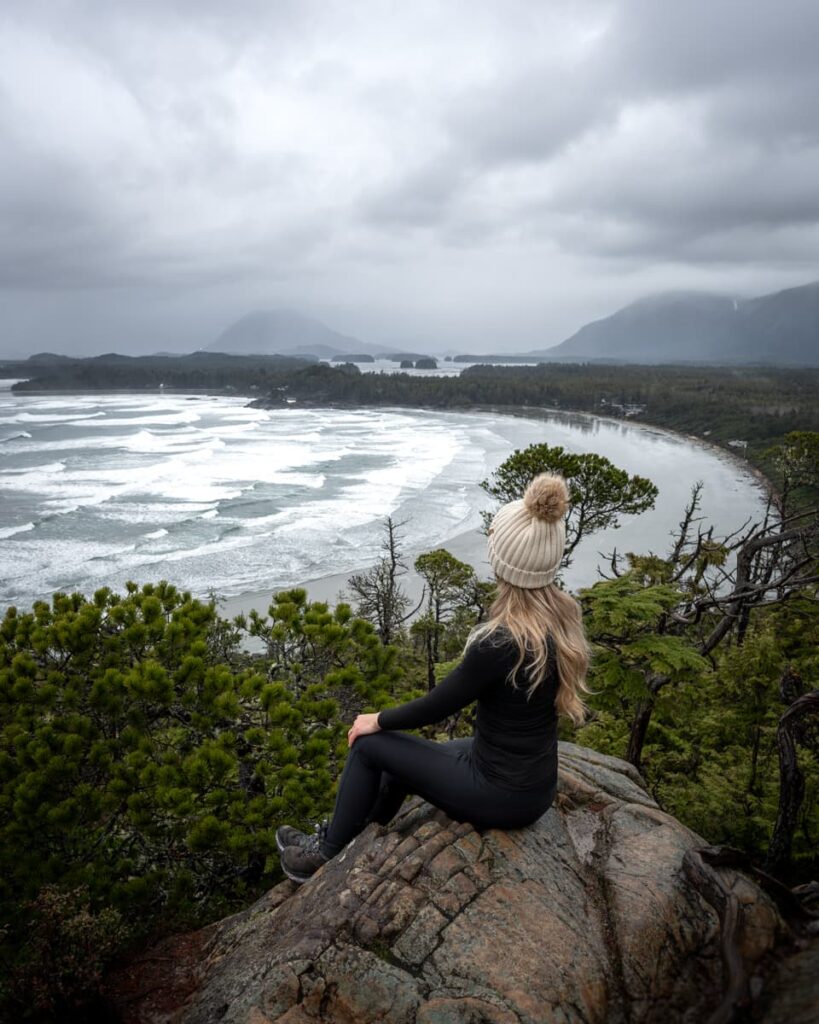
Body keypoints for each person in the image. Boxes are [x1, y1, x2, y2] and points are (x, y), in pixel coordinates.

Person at [277, 472, 593, 884]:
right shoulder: (561, 618)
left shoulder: (501, 641)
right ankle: (354, 835)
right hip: (532, 789)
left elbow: (437, 705)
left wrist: (377, 720)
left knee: (371, 746)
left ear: (502, 561)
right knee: (398, 762)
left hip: (498, 795)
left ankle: (327, 854)